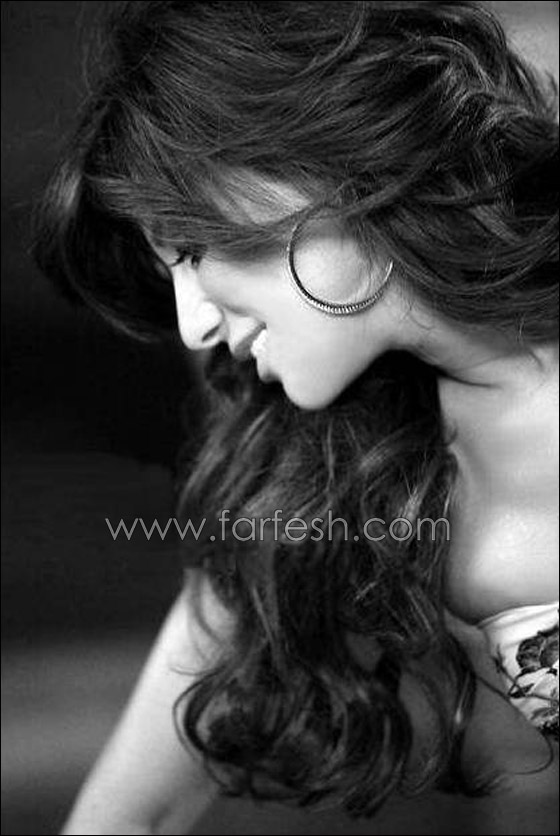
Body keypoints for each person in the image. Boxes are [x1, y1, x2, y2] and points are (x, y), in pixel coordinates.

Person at [33, 1, 558, 833]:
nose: (193, 326)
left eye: (191, 248)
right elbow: (125, 818)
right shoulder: (313, 473)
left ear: (313, 169)